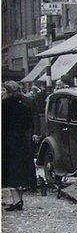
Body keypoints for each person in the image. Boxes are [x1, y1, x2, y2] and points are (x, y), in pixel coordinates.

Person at [2, 81, 37, 211]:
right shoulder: (24, 107)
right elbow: (28, 124)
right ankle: (19, 199)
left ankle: (16, 200)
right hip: (21, 141)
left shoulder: (3, 106)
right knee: (20, 170)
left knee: (10, 171)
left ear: (7, 92)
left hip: (7, 141)